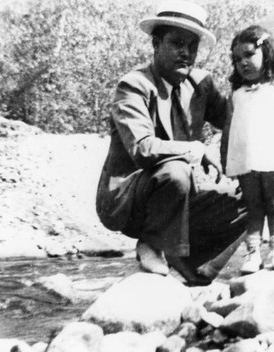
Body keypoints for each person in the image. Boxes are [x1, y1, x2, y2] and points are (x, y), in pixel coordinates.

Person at [95, 0, 247, 285]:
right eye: (177, 43)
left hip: (181, 192)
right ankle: (151, 243)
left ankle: (195, 267)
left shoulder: (201, 85)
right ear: (156, 43)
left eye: (192, 46)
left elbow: (236, 121)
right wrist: (196, 149)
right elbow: (142, 148)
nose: (186, 53)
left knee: (253, 191)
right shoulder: (134, 85)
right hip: (130, 198)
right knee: (176, 171)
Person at [221, 25, 274, 275]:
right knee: (253, 206)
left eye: (248, 55)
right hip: (246, 159)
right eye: (237, 59)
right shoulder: (236, 93)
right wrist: (226, 157)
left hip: (273, 156)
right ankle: (253, 253)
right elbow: (228, 127)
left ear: (266, 53)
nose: (243, 63)